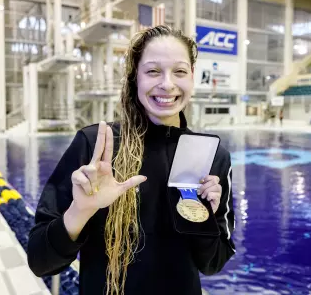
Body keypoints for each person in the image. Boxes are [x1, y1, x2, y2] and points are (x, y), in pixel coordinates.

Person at [27, 26, 236, 295]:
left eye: (180, 71)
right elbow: (40, 261)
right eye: (152, 71)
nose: (167, 84)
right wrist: (80, 211)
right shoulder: (97, 146)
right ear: (134, 78)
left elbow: (212, 264)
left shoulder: (212, 156)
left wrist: (205, 219)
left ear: (192, 78)